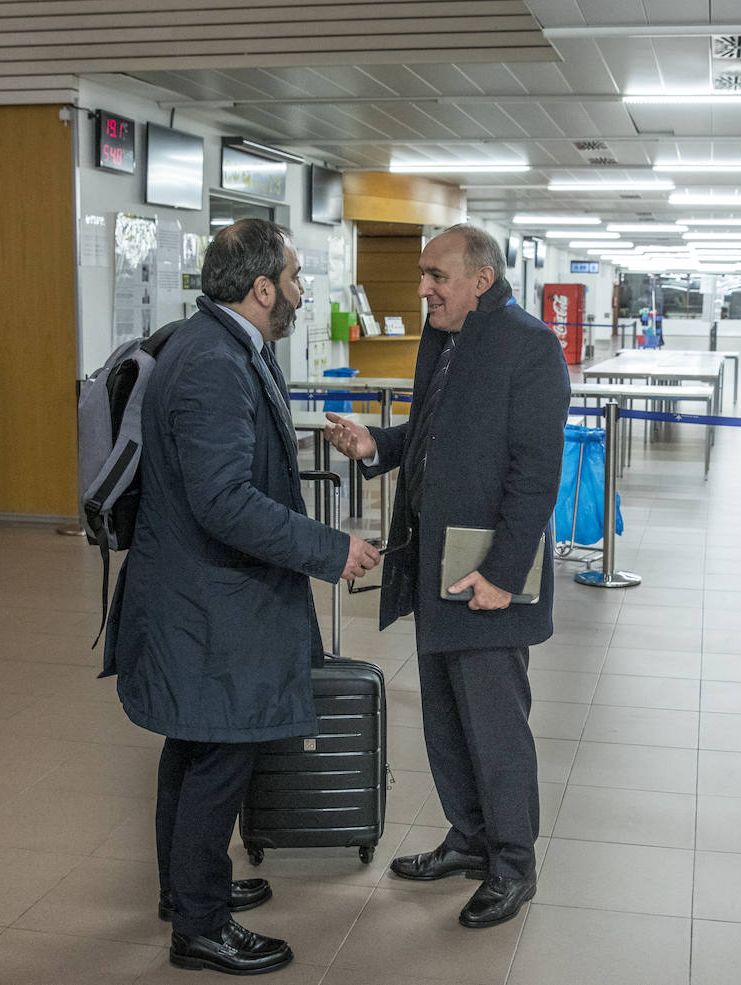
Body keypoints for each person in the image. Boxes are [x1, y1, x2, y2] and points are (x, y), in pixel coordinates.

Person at [102, 219, 380, 975]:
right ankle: (200, 925)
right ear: (261, 288)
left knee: (194, 744)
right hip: (208, 602)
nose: (298, 290)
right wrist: (331, 548)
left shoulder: (216, 346)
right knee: (219, 750)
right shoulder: (213, 365)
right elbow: (223, 501)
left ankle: (186, 887)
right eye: (293, 278)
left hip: (203, 594)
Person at [323, 224, 569, 929]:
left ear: (481, 280)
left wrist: (501, 572)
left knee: (494, 722)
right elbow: (430, 433)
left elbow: (535, 478)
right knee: (445, 717)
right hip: (433, 559)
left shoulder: (531, 348)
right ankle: (469, 836)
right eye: (423, 274)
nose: (423, 287)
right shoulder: (445, 338)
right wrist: (379, 443)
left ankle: (513, 864)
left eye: (437, 274)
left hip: (486, 569)